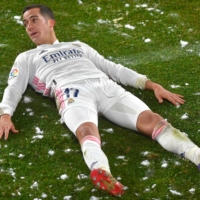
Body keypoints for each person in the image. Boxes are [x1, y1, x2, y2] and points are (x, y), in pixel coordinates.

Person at [0, 4, 199, 196]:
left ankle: (195, 154)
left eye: (34, 20)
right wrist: (5, 114)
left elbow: (113, 68)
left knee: (154, 121)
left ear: (51, 22)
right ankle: (102, 171)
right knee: (86, 131)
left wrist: (151, 84)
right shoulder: (26, 58)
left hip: (105, 86)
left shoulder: (78, 46)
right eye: (25, 23)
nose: (29, 27)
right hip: (71, 92)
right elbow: (14, 87)